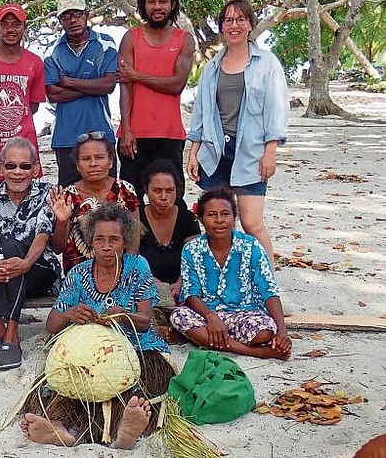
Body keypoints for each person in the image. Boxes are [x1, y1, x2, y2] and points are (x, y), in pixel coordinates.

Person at [20, 203, 175, 448]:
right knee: (66, 383)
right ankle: (58, 426)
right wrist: (70, 313)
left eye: (114, 239)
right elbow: (52, 324)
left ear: (125, 242)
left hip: (137, 348)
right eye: (99, 239)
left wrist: (124, 315)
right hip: (87, 353)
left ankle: (123, 429)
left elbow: (145, 322)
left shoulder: (137, 267)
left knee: (132, 383)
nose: (106, 246)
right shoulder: (78, 274)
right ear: (91, 242)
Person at [185, 0, 288, 263]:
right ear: (221, 26)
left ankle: (267, 280)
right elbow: (201, 111)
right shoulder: (212, 67)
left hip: (250, 151)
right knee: (216, 222)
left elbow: (276, 109)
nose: (234, 25)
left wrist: (271, 151)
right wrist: (193, 152)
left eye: (241, 19)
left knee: (251, 222)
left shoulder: (267, 63)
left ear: (250, 24)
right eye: (228, 20)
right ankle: (222, 276)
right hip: (215, 150)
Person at [0, 138, 61, 370]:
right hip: (1, 269)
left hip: (37, 270)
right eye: (11, 166)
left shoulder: (47, 193)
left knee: (9, 248)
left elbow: (43, 235)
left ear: (35, 169)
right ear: (1, 169)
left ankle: (11, 334)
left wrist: (26, 263)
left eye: (25, 166)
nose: (17, 172)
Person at [170, 189, 292, 360]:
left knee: (264, 332)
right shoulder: (192, 249)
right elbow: (191, 293)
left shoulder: (251, 246)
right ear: (201, 219)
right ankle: (254, 351)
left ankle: (200, 338)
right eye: (212, 215)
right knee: (179, 316)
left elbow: (269, 290)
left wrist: (282, 332)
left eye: (225, 214)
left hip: (246, 313)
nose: (219, 220)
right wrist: (211, 317)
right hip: (206, 314)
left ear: (234, 217)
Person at [117, 0, 194, 206]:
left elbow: (177, 85)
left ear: (173, 4)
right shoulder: (130, 38)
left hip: (170, 134)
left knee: (171, 200)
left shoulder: (184, 39)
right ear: (143, 5)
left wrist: (136, 75)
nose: (157, 7)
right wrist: (126, 130)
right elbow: (125, 87)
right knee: (129, 200)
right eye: (151, 1)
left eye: (162, 1)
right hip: (134, 135)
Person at [44, 0, 118, 186]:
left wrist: (68, 81)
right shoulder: (52, 51)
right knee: (69, 197)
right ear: (60, 21)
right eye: (66, 16)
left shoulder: (105, 43)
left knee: (108, 195)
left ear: (87, 15)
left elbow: (108, 85)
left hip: (101, 134)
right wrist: (94, 87)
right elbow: (53, 94)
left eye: (77, 14)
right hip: (65, 137)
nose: (72, 20)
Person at [48, 132, 140, 274]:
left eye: (99, 157)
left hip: (118, 273)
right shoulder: (67, 196)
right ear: (78, 165)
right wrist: (62, 222)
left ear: (110, 161)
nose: (93, 164)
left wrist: (127, 273)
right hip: (78, 276)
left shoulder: (125, 190)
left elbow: (133, 239)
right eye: (86, 159)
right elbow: (58, 248)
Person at [0, 4, 46, 182]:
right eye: (4, 24)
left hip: (24, 151)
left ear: (25, 26)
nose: (10, 29)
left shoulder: (35, 62)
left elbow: (32, 106)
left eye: (16, 24)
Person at [139, 159, 200, 305]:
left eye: (169, 190)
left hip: (185, 292)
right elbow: (131, 261)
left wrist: (181, 283)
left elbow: (195, 259)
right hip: (144, 293)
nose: (164, 197)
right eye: (157, 190)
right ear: (146, 190)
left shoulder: (188, 219)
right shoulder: (136, 218)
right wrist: (155, 285)